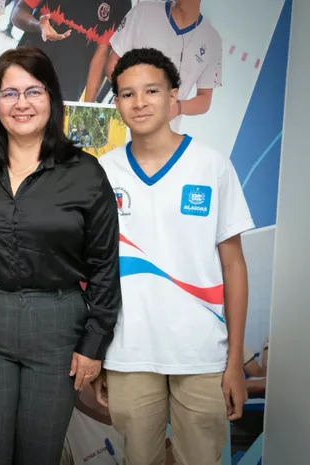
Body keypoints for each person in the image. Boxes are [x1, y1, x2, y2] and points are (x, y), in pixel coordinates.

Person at [0, 46, 121, 465]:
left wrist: (94, 344)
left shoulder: (85, 172)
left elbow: (104, 264)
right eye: (9, 93)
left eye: (34, 91)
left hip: (58, 328)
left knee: (40, 455)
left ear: (51, 99)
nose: (22, 103)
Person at [93, 48, 253, 465]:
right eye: (127, 94)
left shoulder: (211, 166)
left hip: (201, 353)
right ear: (117, 104)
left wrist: (234, 360)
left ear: (173, 96)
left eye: (151, 91)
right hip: (129, 351)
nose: (140, 102)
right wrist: (99, 351)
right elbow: (93, 269)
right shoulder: (102, 173)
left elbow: (234, 266)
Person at [104, 0, 222, 130]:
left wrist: (177, 108)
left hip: (162, 137)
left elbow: (204, 99)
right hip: (119, 123)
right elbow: (112, 64)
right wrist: (133, 93)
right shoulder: (144, 10)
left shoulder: (211, 39)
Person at [12, 0, 131, 102]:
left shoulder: (121, 3)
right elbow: (18, 13)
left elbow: (101, 54)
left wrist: (87, 106)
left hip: (66, 90)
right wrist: (38, 26)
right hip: (27, 67)